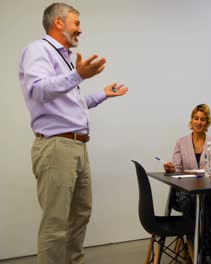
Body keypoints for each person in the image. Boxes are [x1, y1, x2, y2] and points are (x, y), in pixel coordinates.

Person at [18, 3, 128, 263]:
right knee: (55, 223)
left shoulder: (65, 58)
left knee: (80, 215)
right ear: (58, 22)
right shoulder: (38, 50)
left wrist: (102, 95)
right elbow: (37, 90)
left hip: (77, 147)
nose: (80, 29)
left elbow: (70, 104)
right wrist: (77, 75)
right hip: (57, 147)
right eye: (76, 23)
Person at [163, 104, 211, 264]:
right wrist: (170, 169)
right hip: (185, 191)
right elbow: (177, 171)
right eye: (196, 118)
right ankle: (192, 250)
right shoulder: (181, 142)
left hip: (206, 190)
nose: (199, 122)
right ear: (192, 120)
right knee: (189, 204)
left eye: (203, 119)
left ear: (207, 122)